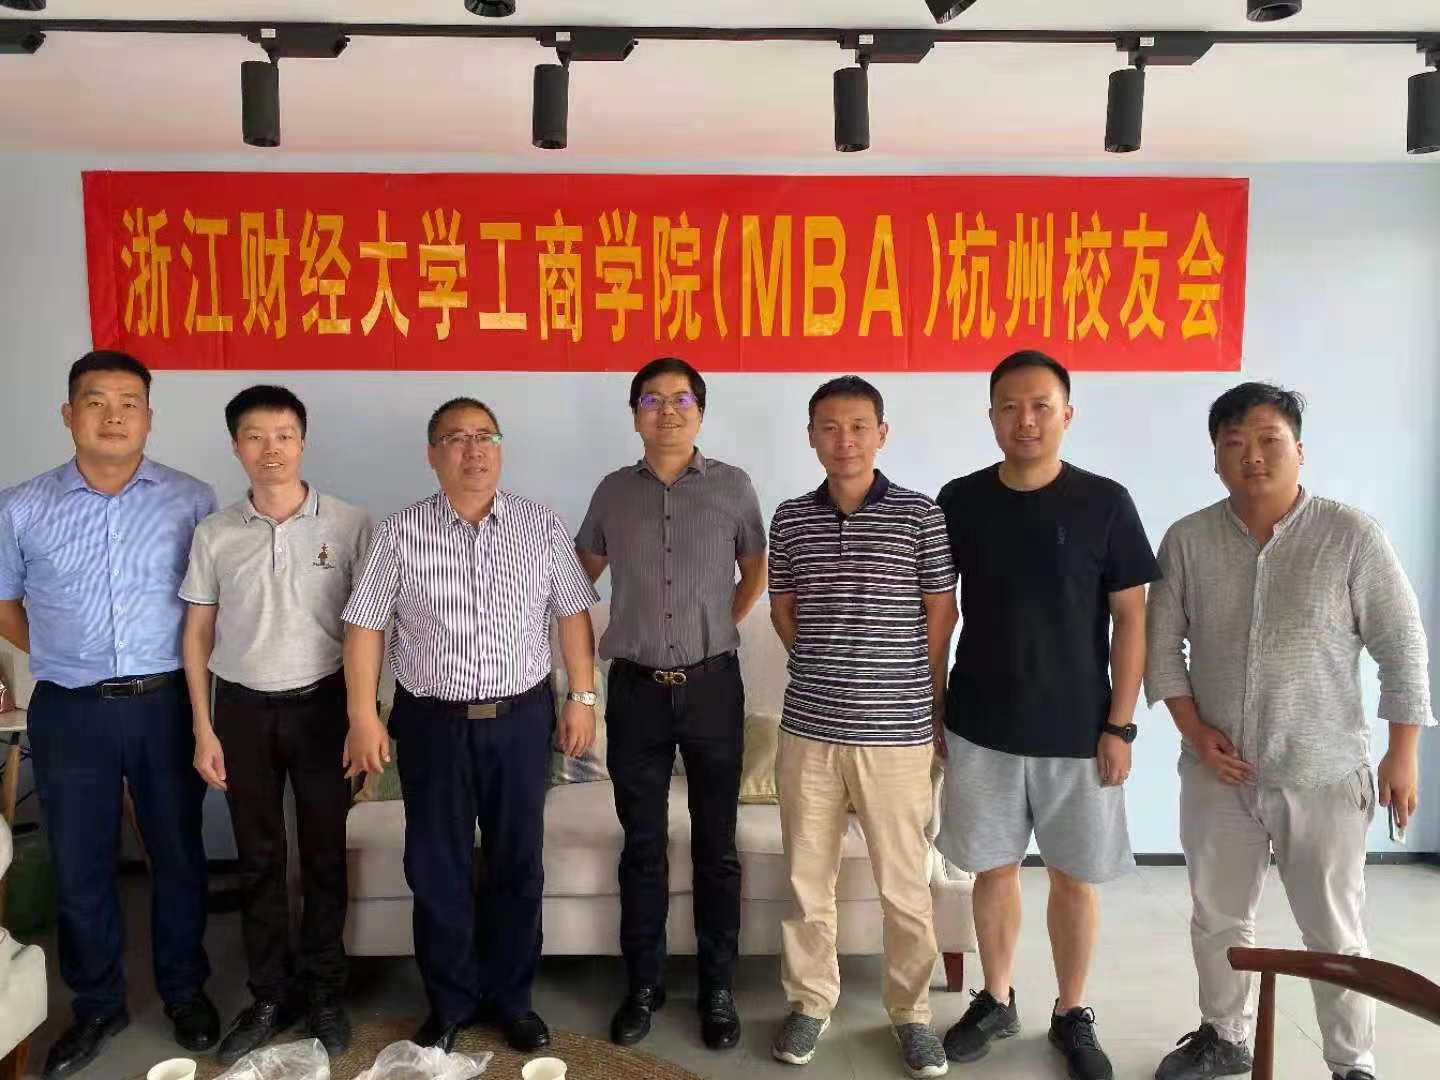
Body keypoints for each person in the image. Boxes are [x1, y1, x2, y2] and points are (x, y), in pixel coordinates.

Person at [1146, 383, 1432, 1080]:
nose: (1253, 455)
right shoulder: (1187, 540)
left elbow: (1403, 647)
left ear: (1299, 450)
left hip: (1323, 772)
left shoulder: (1351, 535)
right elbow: (1160, 649)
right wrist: (1194, 731)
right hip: (1218, 774)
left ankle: (1351, 1062)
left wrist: (1403, 754)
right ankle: (1224, 1036)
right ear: (1215, 458)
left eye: (1269, 439)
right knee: (1217, 916)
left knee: (1333, 928)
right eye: (1234, 443)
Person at [341, 396, 600, 1054]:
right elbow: (365, 626)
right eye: (456, 438)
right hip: (433, 725)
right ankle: (450, 1002)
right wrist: (363, 713)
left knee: (518, 862)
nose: (474, 449)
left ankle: (513, 1000)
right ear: (434, 455)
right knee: (436, 866)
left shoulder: (540, 526)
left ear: (500, 448)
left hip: (521, 721)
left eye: (486, 436)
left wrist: (582, 696)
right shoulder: (399, 533)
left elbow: (573, 612)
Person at [936, 350, 1157, 1080]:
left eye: (1040, 405)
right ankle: (996, 997)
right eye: (1009, 406)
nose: (1024, 420)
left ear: (1066, 413)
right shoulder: (960, 500)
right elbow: (940, 611)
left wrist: (1120, 725)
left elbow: (1132, 620)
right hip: (981, 723)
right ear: (991, 416)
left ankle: (1071, 1010)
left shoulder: (1105, 502)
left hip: (1077, 730)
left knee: (1073, 878)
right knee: (991, 872)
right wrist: (935, 707)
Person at [0, 351, 221, 1079]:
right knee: (81, 859)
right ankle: (97, 1005)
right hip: (71, 709)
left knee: (177, 852)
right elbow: (4, 603)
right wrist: (64, 652)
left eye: (129, 402)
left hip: (166, 703)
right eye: (96, 401)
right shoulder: (20, 506)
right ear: (69, 415)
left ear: (149, 417)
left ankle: (184, 988)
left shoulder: (191, 499)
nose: (113, 415)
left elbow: (208, 606)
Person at [767, 376, 957, 1080]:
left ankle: (912, 1015)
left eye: (857, 426)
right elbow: (782, 607)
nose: (843, 440)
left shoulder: (919, 515)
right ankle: (810, 1001)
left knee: (905, 887)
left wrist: (930, 703)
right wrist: (823, 664)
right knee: (806, 883)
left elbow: (941, 615)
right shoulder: (791, 517)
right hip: (809, 731)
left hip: (897, 732)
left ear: (881, 433)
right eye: (829, 426)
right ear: (811, 436)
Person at [575, 357, 767, 1051]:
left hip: (713, 688)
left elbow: (755, 570)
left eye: (682, 399)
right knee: (643, 844)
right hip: (635, 692)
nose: (667, 411)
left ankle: (717, 988)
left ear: (701, 412)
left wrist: (716, 627)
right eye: (652, 399)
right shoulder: (612, 492)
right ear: (635, 414)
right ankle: (643, 984)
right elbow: (578, 578)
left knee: (717, 846)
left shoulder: (733, 486)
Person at [180, 386, 372, 1065]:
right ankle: (269, 994)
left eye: (285, 435)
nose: (272, 449)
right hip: (241, 710)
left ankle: (324, 990)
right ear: (237, 446)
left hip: (325, 708)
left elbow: (372, 628)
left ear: (303, 442)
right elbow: (197, 633)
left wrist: (367, 715)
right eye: (256, 436)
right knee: (259, 857)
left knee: (324, 853)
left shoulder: (350, 524)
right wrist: (203, 727)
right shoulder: (215, 532)